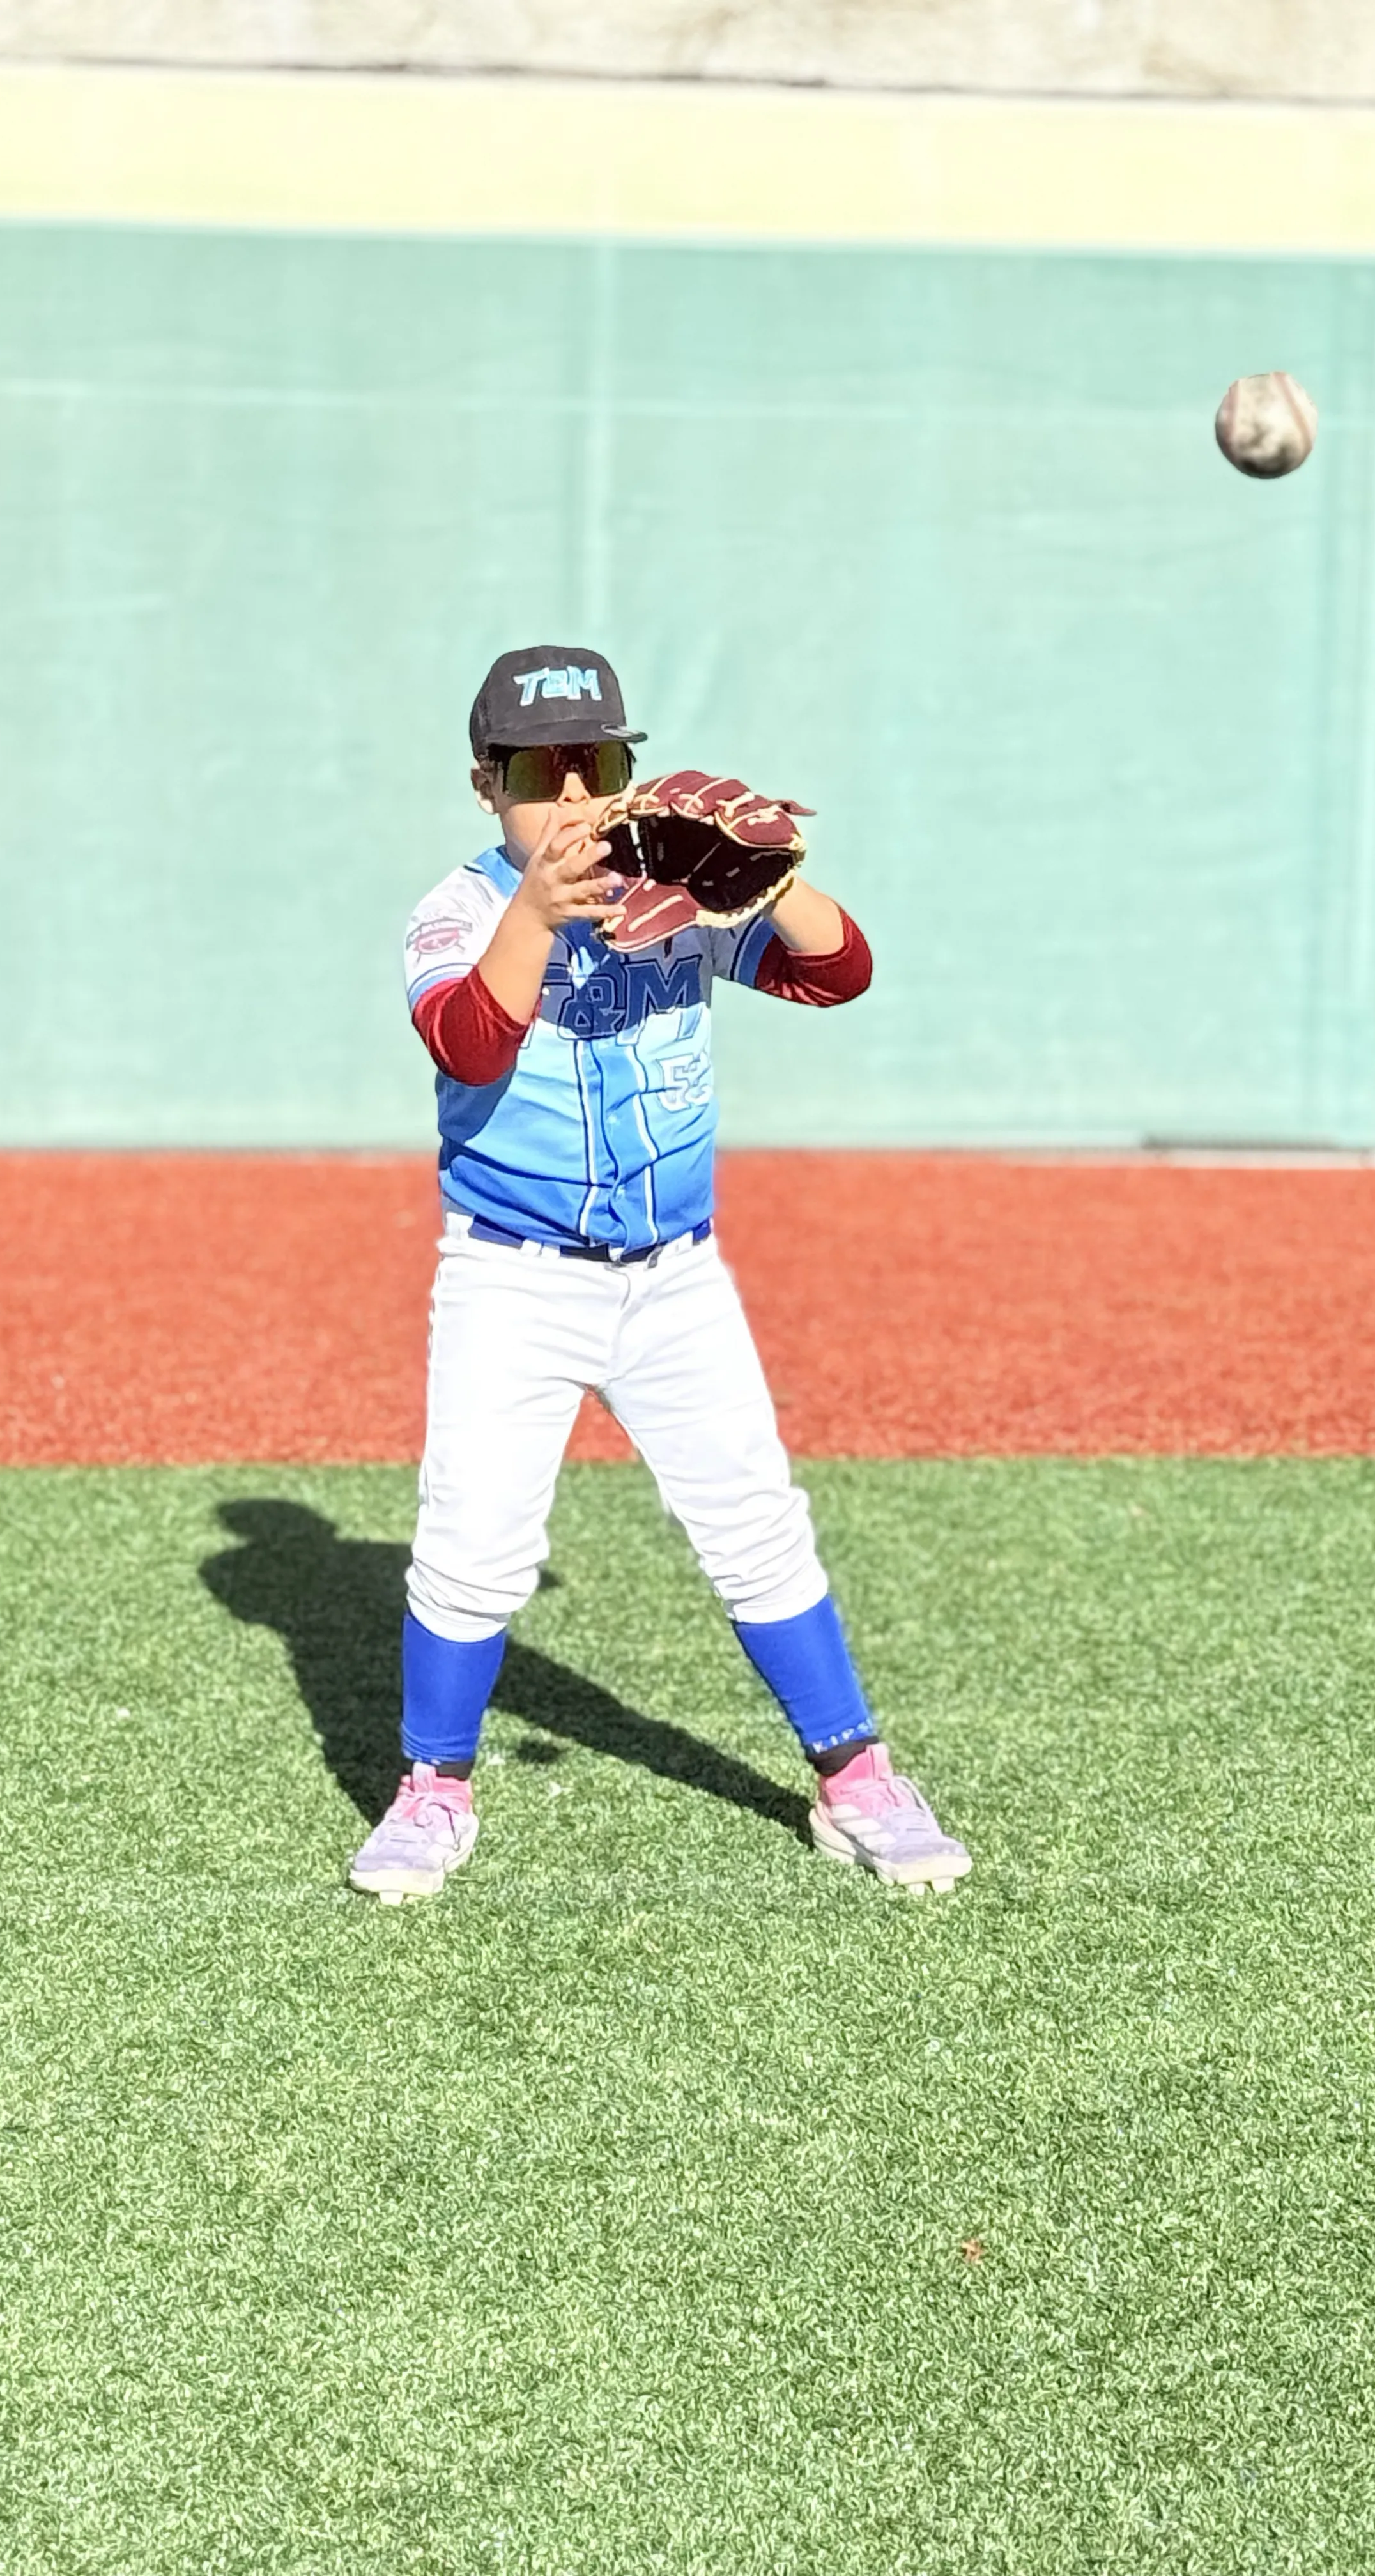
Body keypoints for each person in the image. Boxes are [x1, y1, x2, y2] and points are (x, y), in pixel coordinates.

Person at [348, 643, 971, 1905]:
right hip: (513, 1280)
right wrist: (538, 911)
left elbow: (836, 973)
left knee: (754, 1521)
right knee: (475, 1542)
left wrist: (767, 876)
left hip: (675, 1281)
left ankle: (854, 1778)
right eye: (540, 770)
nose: (576, 795)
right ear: (487, 786)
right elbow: (469, 1045)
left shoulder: (667, 892)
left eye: (604, 763)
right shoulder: (462, 908)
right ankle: (433, 1789)